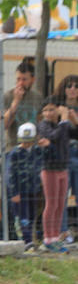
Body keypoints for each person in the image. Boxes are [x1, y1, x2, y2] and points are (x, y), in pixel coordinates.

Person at [35, 96, 75, 252]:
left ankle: (56, 236)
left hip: (62, 168)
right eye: (46, 110)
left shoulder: (62, 125)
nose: (49, 113)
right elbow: (53, 136)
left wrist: (72, 118)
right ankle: (48, 238)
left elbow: (74, 133)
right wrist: (64, 121)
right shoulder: (43, 126)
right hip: (49, 169)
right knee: (51, 204)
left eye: (52, 109)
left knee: (60, 205)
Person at [5, 122, 44, 248]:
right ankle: (26, 241)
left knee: (32, 214)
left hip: (33, 189)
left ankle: (30, 239)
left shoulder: (38, 151)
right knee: (23, 217)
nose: (26, 144)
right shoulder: (15, 153)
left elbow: (42, 165)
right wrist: (14, 193)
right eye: (24, 141)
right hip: (19, 191)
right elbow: (10, 174)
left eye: (29, 141)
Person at [1, 59, 43, 150]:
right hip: (13, 147)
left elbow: (40, 122)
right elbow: (4, 125)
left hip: (33, 147)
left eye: (24, 79)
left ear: (32, 80)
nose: (20, 83)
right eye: (18, 79)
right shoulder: (7, 96)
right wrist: (16, 101)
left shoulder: (38, 97)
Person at [61, 74, 78, 235]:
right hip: (64, 156)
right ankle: (63, 233)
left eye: (76, 86)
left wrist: (75, 119)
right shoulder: (60, 108)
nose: (72, 89)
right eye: (69, 86)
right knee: (61, 197)